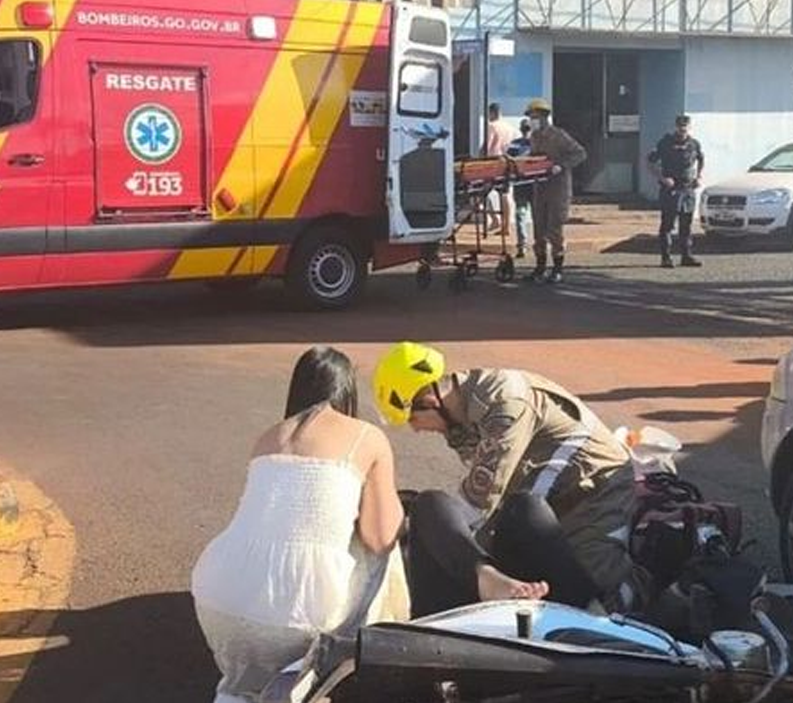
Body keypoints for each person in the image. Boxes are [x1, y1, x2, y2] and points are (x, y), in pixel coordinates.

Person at [191, 347, 406, 702]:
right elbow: (380, 536)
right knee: (382, 547)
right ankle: (342, 674)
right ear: (347, 391)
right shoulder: (367, 436)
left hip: (219, 603)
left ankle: (244, 691)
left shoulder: (268, 437)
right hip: (300, 618)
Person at [373, 342, 638, 618]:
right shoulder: (463, 416)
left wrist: (454, 549)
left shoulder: (505, 407)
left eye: (412, 419)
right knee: (445, 517)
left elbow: (480, 503)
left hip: (593, 497)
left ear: (429, 401)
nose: (415, 429)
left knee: (595, 594)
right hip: (548, 498)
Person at [524, 99, 587, 284]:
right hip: (540, 187)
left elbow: (580, 153)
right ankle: (540, 268)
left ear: (544, 117)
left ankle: (557, 269)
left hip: (558, 189)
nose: (532, 120)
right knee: (538, 229)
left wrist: (561, 165)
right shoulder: (534, 137)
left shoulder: (558, 135)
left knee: (555, 229)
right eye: (530, 117)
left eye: (535, 117)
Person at [647, 114, 705, 269]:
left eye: (685, 126)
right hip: (671, 190)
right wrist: (662, 178)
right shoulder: (665, 143)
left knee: (686, 225)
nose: (682, 128)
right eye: (680, 126)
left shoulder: (694, 144)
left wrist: (699, 176)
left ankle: (686, 256)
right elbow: (650, 162)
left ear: (689, 127)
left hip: (688, 189)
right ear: (676, 126)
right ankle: (666, 258)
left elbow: (701, 159)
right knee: (668, 225)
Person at [485, 103, 517, 236]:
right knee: (505, 194)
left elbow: (487, 146)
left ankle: (494, 219)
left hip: (493, 164)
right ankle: (506, 225)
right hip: (507, 163)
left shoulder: (492, 126)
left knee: (482, 193)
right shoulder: (510, 128)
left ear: (492, 113)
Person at [507, 119, 535, 258]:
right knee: (537, 216)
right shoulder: (537, 144)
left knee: (520, 214)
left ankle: (522, 245)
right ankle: (538, 243)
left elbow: (508, 161)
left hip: (521, 184)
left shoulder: (515, 144)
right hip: (535, 184)